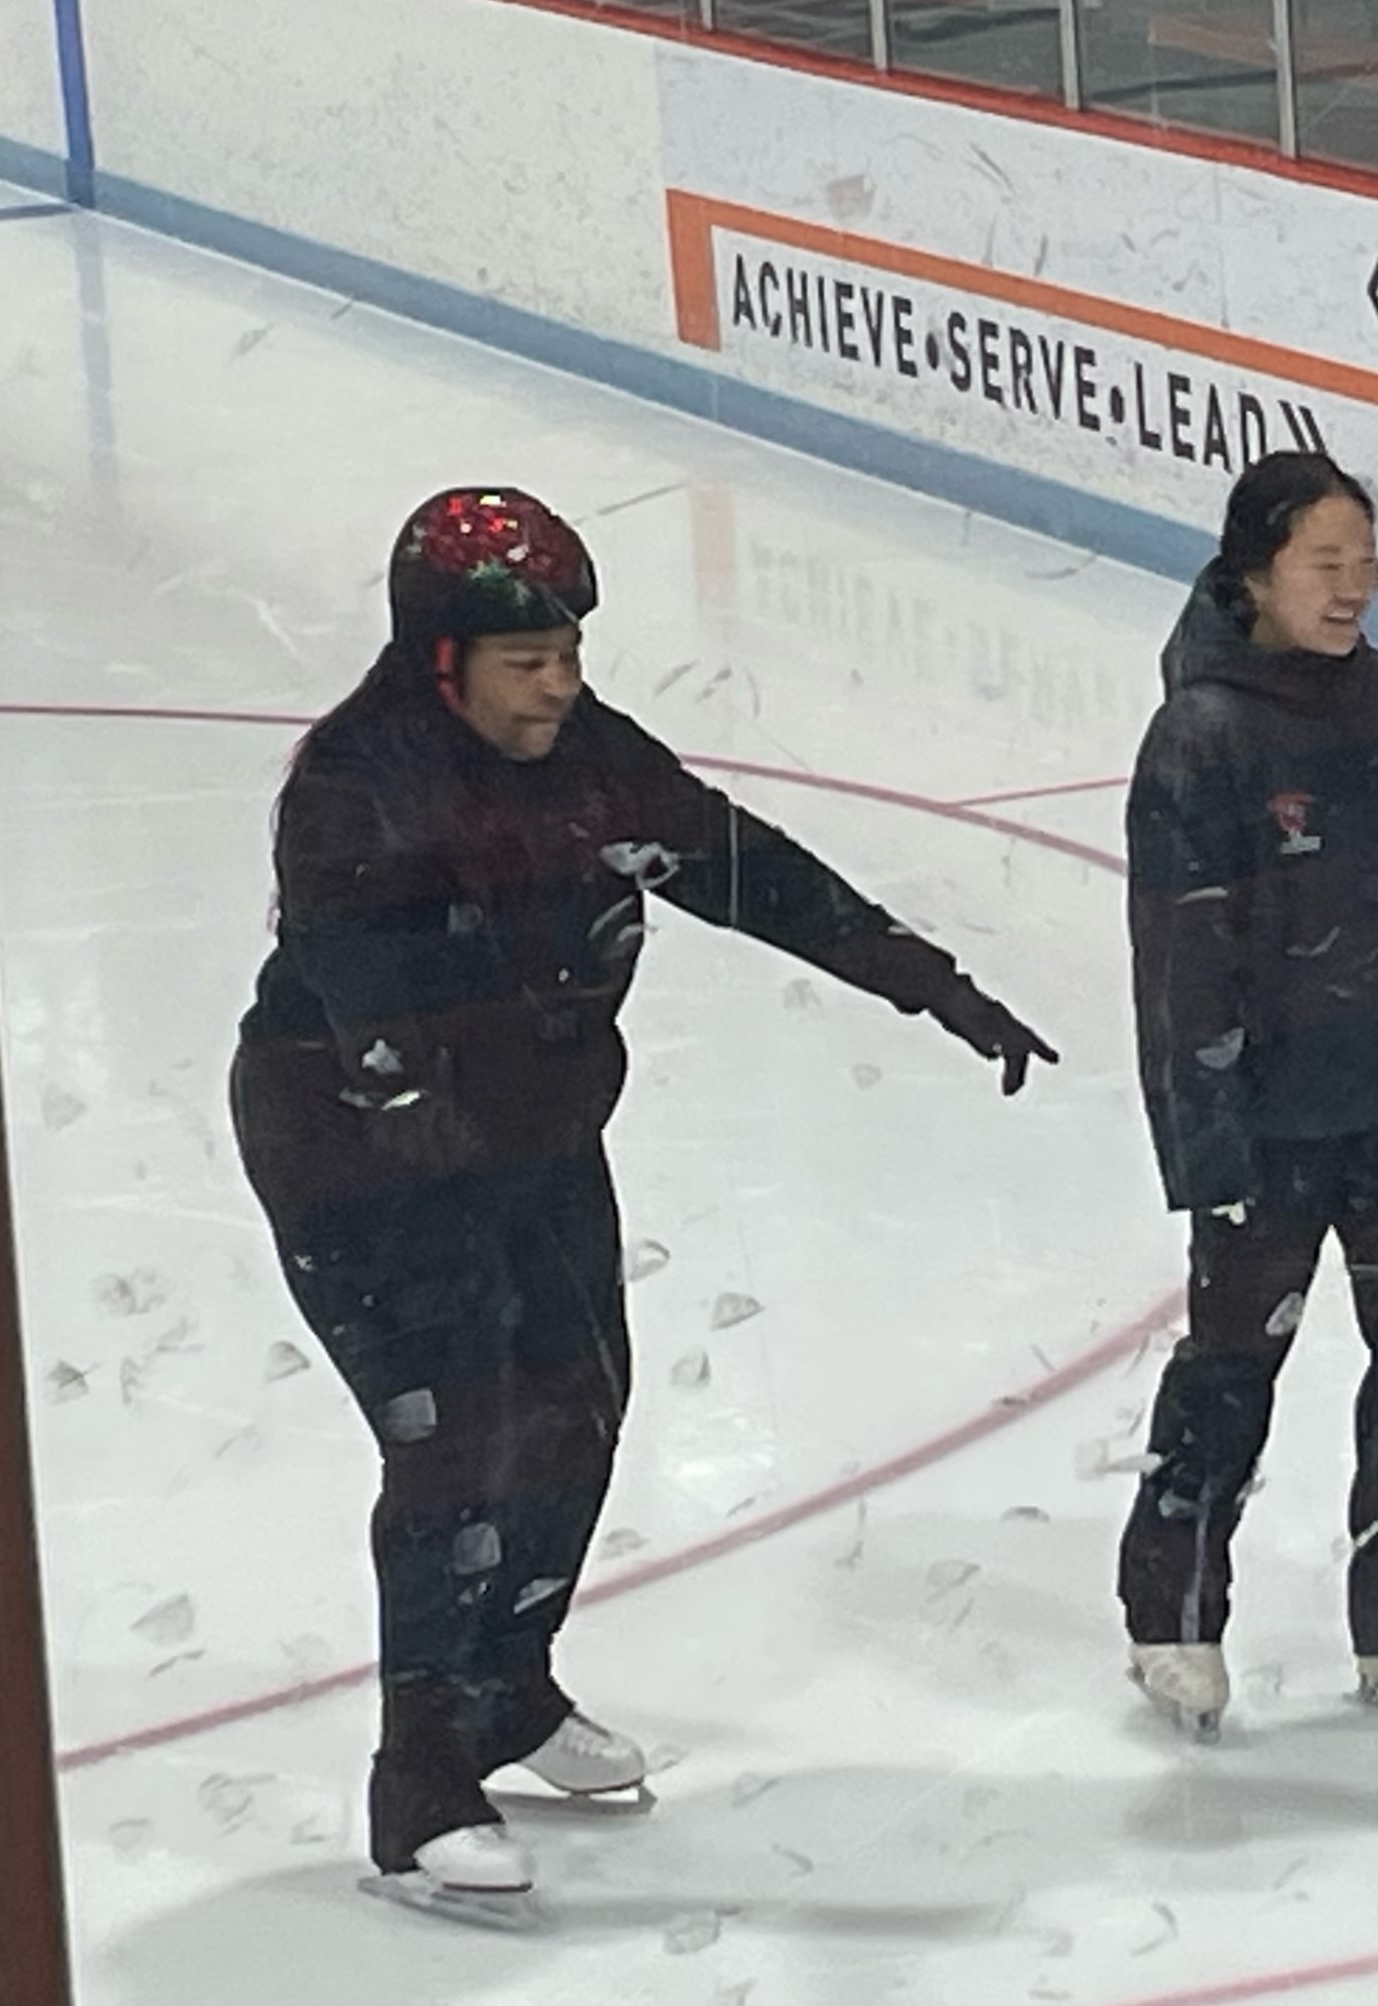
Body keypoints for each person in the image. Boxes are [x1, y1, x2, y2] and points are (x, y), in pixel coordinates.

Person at [230, 488, 1055, 1905]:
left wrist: (929, 980)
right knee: (457, 1439)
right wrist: (457, 1200)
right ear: (442, 659)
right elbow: (381, 1036)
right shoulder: (358, 790)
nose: (559, 685)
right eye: (526, 664)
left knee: (577, 1404)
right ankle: (417, 1784)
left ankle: (505, 1684)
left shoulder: (592, 757)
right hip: (359, 1152)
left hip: (531, 1129)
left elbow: (749, 872)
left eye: (569, 655)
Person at [1116, 452, 1378, 1738]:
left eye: (1364, 559)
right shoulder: (1204, 736)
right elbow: (1182, 956)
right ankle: (1173, 1617)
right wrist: (1207, 1142)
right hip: (1275, 1123)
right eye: (1322, 562)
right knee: (1234, 1368)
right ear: (1254, 572)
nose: (1351, 586)